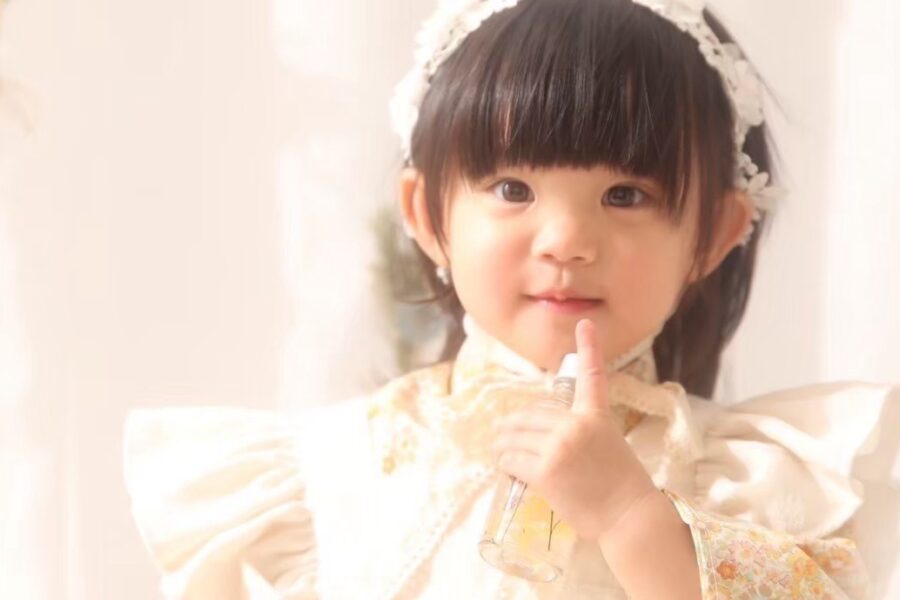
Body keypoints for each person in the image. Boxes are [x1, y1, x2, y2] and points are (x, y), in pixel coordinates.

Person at [123, 0, 900, 598]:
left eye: (625, 195)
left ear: (715, 234)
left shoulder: (753, 480)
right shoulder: (323, 475)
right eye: (512, 188)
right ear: (426, 214)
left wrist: (631, 517)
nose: (565, 240)